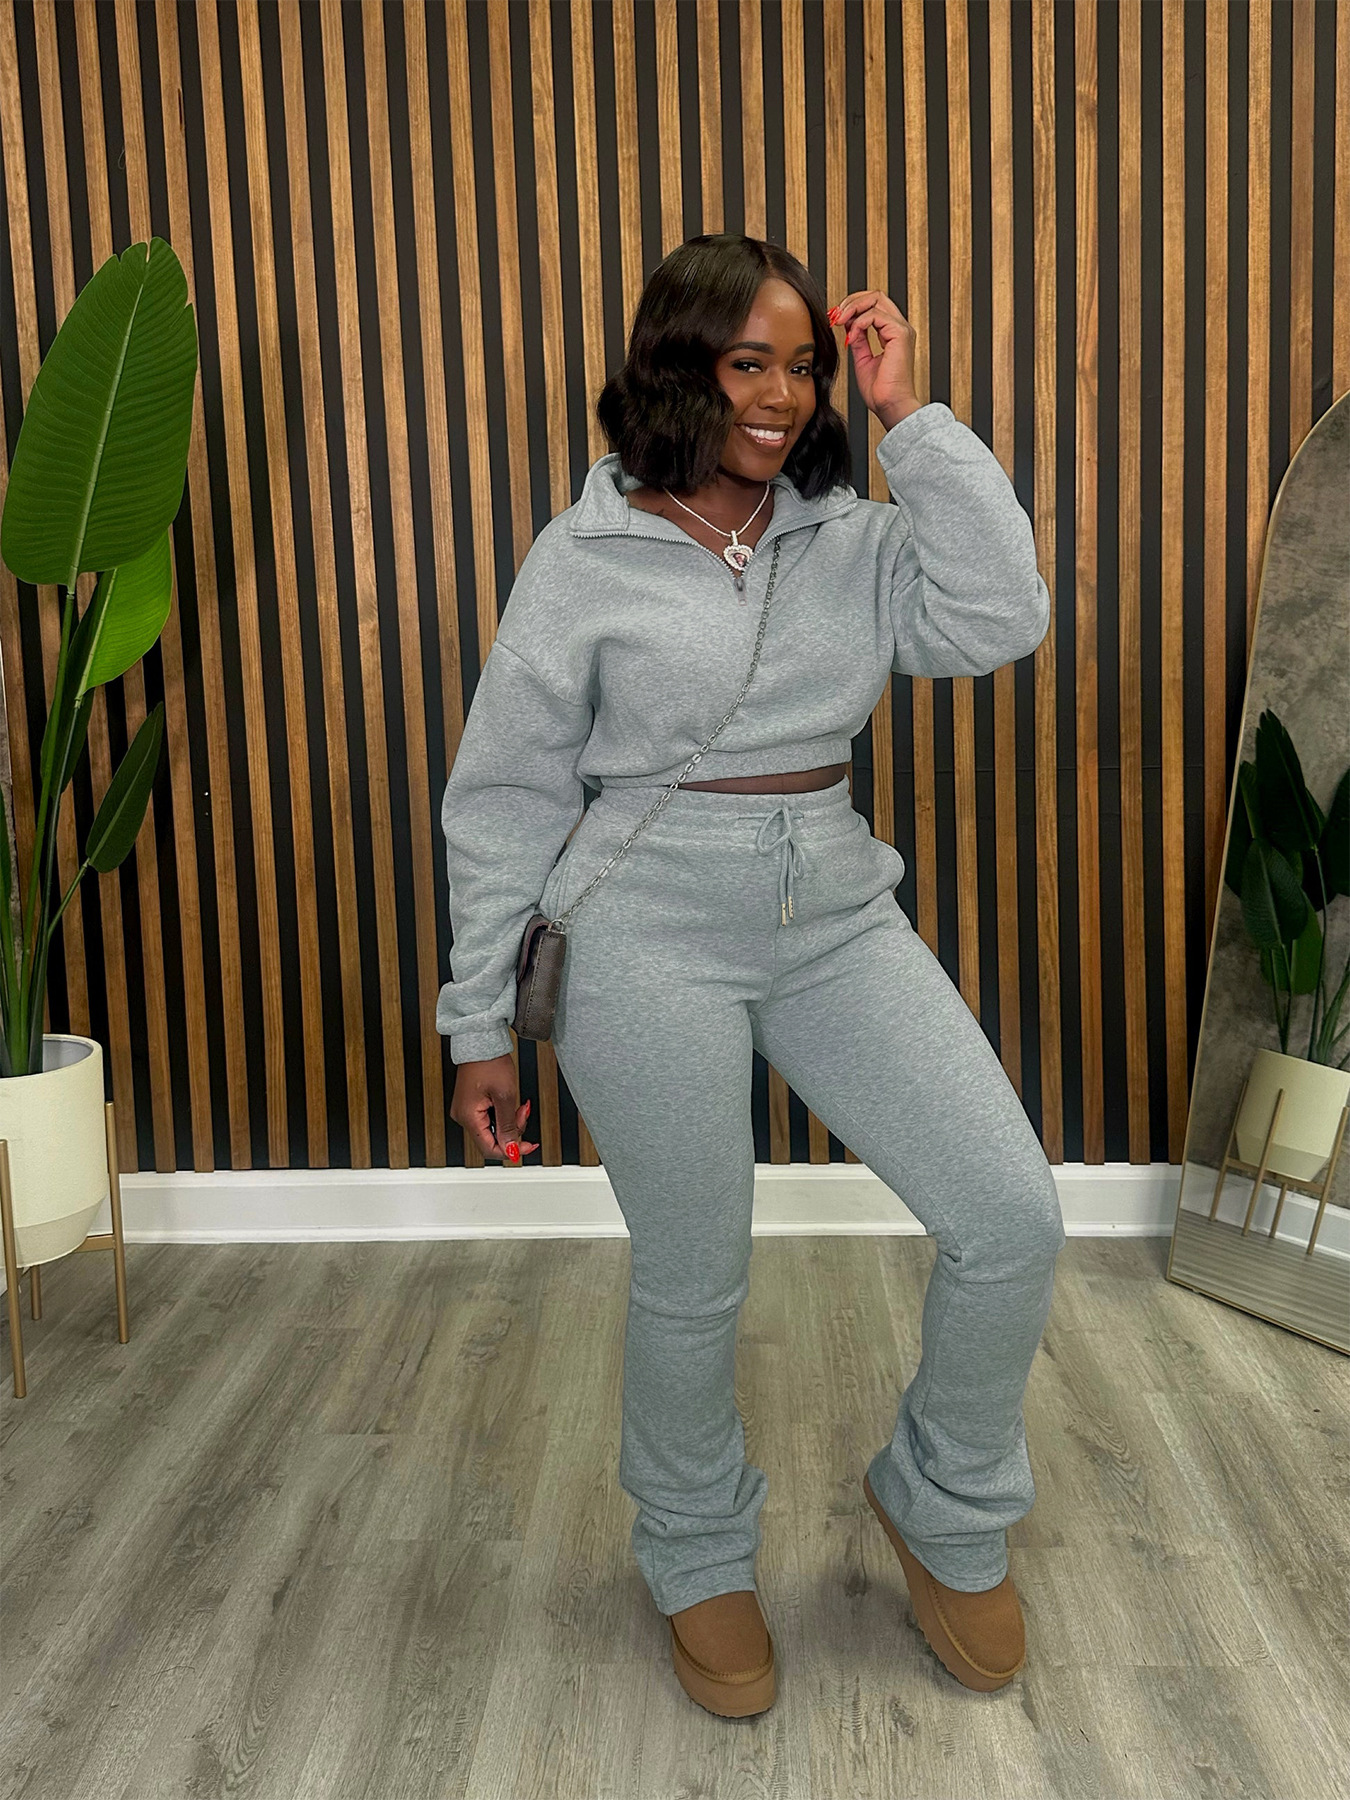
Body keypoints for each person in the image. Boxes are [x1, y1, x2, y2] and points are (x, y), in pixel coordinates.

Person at [437, 234, 1065, 1718]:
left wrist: (912, 418)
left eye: (804, 368)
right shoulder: (584, 552)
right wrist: (480, 1024)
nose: (782, 396)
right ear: (681, 369)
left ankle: (943, 1504)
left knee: (1011, 1217)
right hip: (638, 924)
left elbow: (1001, 618)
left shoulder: (851, 536)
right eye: (747, 364)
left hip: (830, 908)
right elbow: (506, 794)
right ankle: (695, 1550)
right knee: (695, 1270)